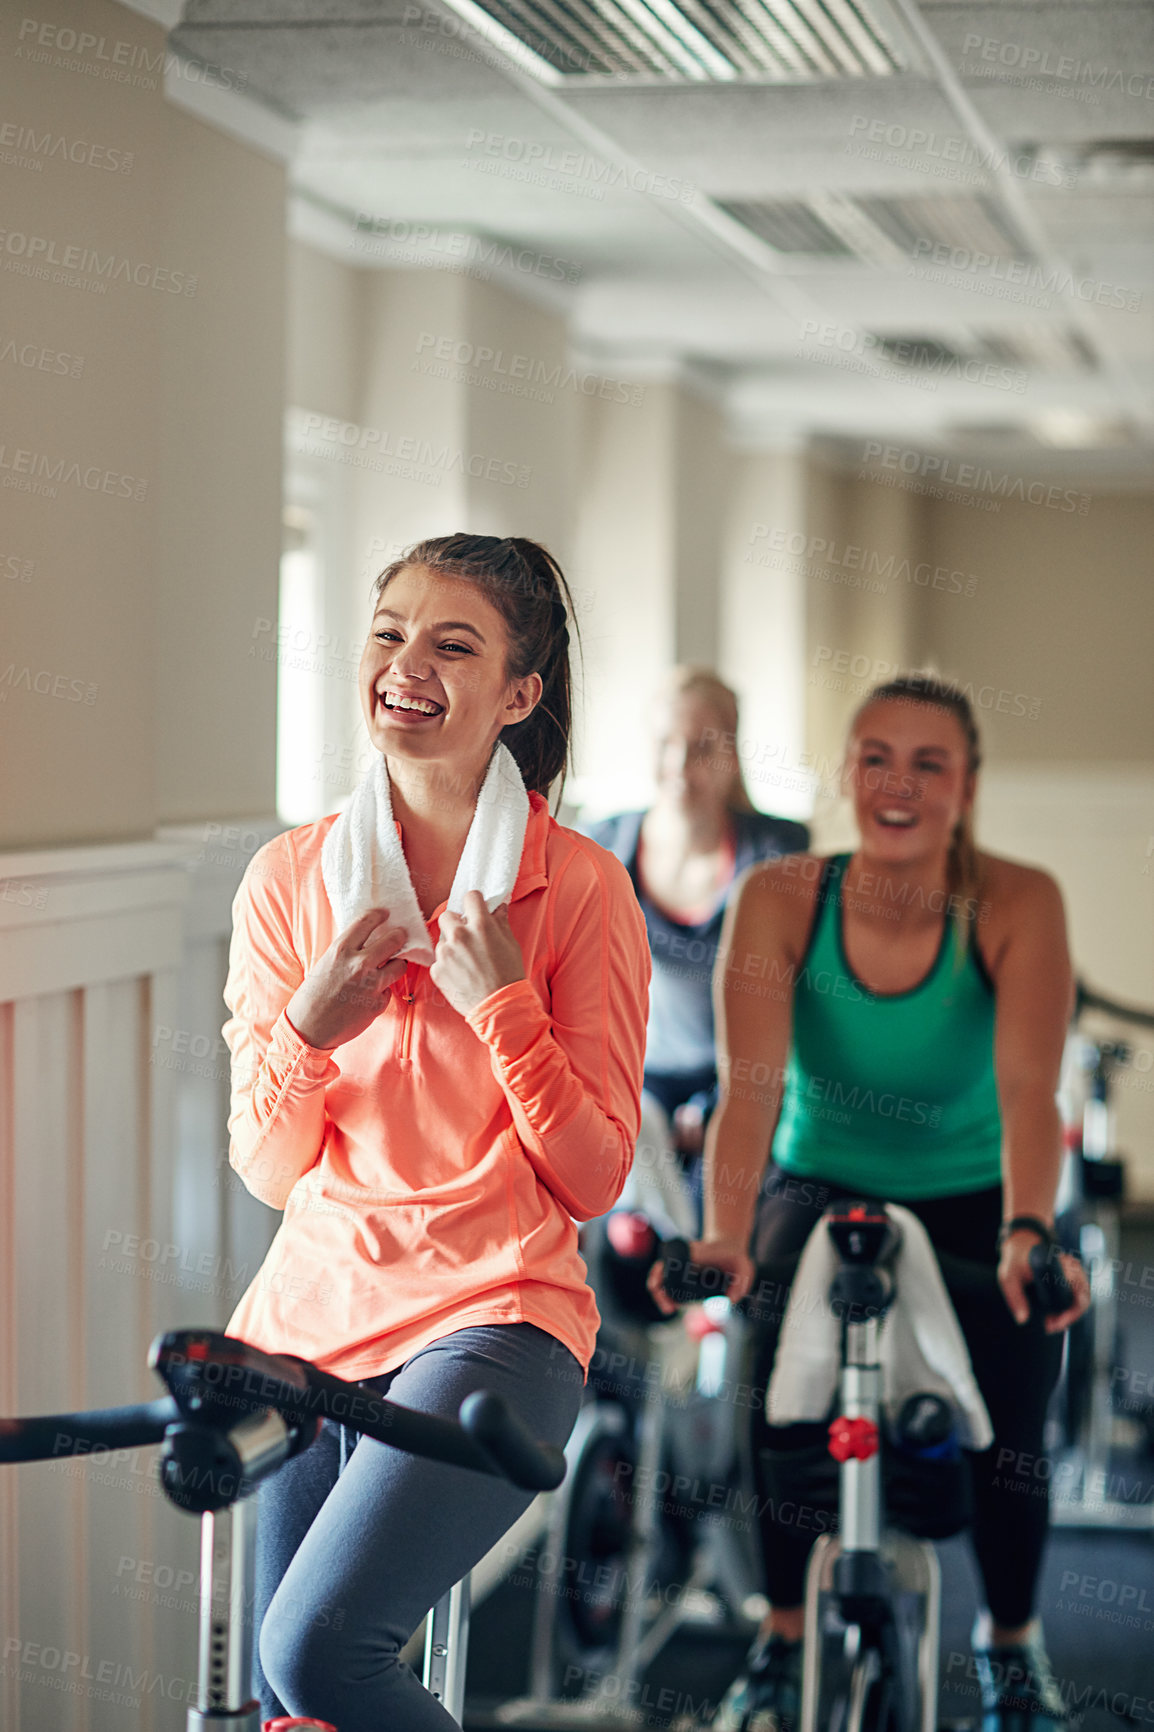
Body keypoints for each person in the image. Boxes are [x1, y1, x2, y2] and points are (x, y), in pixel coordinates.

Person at [221, 533, 650, 1732]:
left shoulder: (579, 890)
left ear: (519, 696)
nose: (406, 662)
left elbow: (591, 1176)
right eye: (389, 630)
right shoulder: (288, 878)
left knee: (316, 1653)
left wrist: (505, 1007)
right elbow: (269, 1169)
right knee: (284, 1703)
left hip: (497, 1315)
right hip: (313, 1325)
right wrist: (311, 1022)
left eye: (452, 643)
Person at [653, 673, 1091, 1732]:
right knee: (774, 1390)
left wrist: (1030, 1231)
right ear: (846, 773)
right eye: (873, 757)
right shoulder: (782, 893)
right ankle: (782, 1635)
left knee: (1013, 1393)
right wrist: (723, 1234)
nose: (896, 784)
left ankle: (1010, 1649)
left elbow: (1032, 1086)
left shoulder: (1014, 899)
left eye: (927, 762)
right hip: (819, 1175)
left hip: (977, 1187)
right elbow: (746, 1091)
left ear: (967, 785)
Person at [583, 667, 808, 1220]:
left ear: (732, 753)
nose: (681, 766)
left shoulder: (779, 850)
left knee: (729, 1164)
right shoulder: (603, 845)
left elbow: (797, 997)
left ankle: (711, 1279)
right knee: (629, 1144)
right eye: (667, 744)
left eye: (703, 746)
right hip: (642, 1071)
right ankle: (677, 1267)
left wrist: (715, 1101)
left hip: (741, 1071)